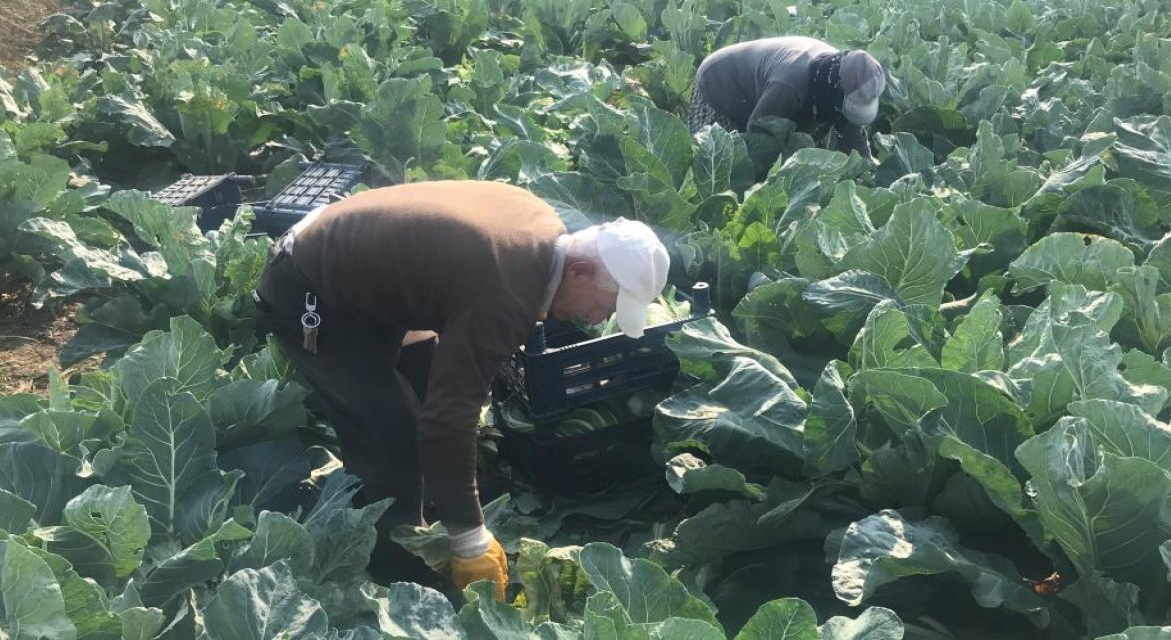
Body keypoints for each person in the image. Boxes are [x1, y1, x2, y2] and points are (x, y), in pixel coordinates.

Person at [252, 180, 670, 599]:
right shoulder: (505, 292)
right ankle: (397, 572)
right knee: (390, 434)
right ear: (579, 271)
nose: (597, 319)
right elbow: (449, 418)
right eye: (605, 306)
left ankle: (439, 506)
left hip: (364, 274)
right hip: (311, 290)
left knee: (426, 380)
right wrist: (471, 542)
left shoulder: (545, 232)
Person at [688, 36, 887, 158]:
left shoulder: (843, 81)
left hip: (765, 88)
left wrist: (866, 172)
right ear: (838, 90)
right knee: (723, 156)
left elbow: (854, 137)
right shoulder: (790, 85)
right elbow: (758, 134)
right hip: (720, 81)